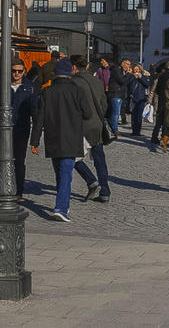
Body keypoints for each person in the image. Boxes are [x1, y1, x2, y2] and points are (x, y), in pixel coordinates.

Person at [29, 57, 94, 222]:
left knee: (60, 172)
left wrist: (34, 141)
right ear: (69, 73)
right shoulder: (77, 91)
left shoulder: (47, 92)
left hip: (53, 138)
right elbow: (88, 113)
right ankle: (61, 208)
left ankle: (62, 204)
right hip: (72, 138)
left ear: (56, 74)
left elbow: (39, 119)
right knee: (66, 174)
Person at [70, 55, 112, 202]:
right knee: (100, 159)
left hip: (81, 126)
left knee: (71, 157)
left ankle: (91, 181)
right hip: (97, 125)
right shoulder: (97, 81)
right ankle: (105, 191)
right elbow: (104, 104)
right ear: (86, 66)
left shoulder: (73, 82)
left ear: (74, 67)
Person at [11, 57, 36, 200]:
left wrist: (35, 136)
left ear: (24, 71)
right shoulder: (4, 84)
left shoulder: (30, 87)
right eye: (14, 71)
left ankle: (19, 191)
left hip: (21, 128)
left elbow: (35, 109)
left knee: (19, 160)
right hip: (4, 128)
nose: (16, 74)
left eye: (19, 71)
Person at [149, 60, 169, 146]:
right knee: (168, 122)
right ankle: (168, 138)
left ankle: (154, 137)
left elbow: (156, 88)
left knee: (159, 121)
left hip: (160, 100)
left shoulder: (160, 75)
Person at [128, 64, 150, 136]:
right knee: (133, 115)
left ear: (140, 70)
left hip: (141, 98)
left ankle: (138, 131)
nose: (136, 71)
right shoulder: (131, 77)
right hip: (133, 98)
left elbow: (147, 84)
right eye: (135, 70)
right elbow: (129, 85)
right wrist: (133, 78)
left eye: (137, 69)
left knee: (139, 116)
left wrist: (141, 78)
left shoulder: (144, 77)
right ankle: (134, 130)